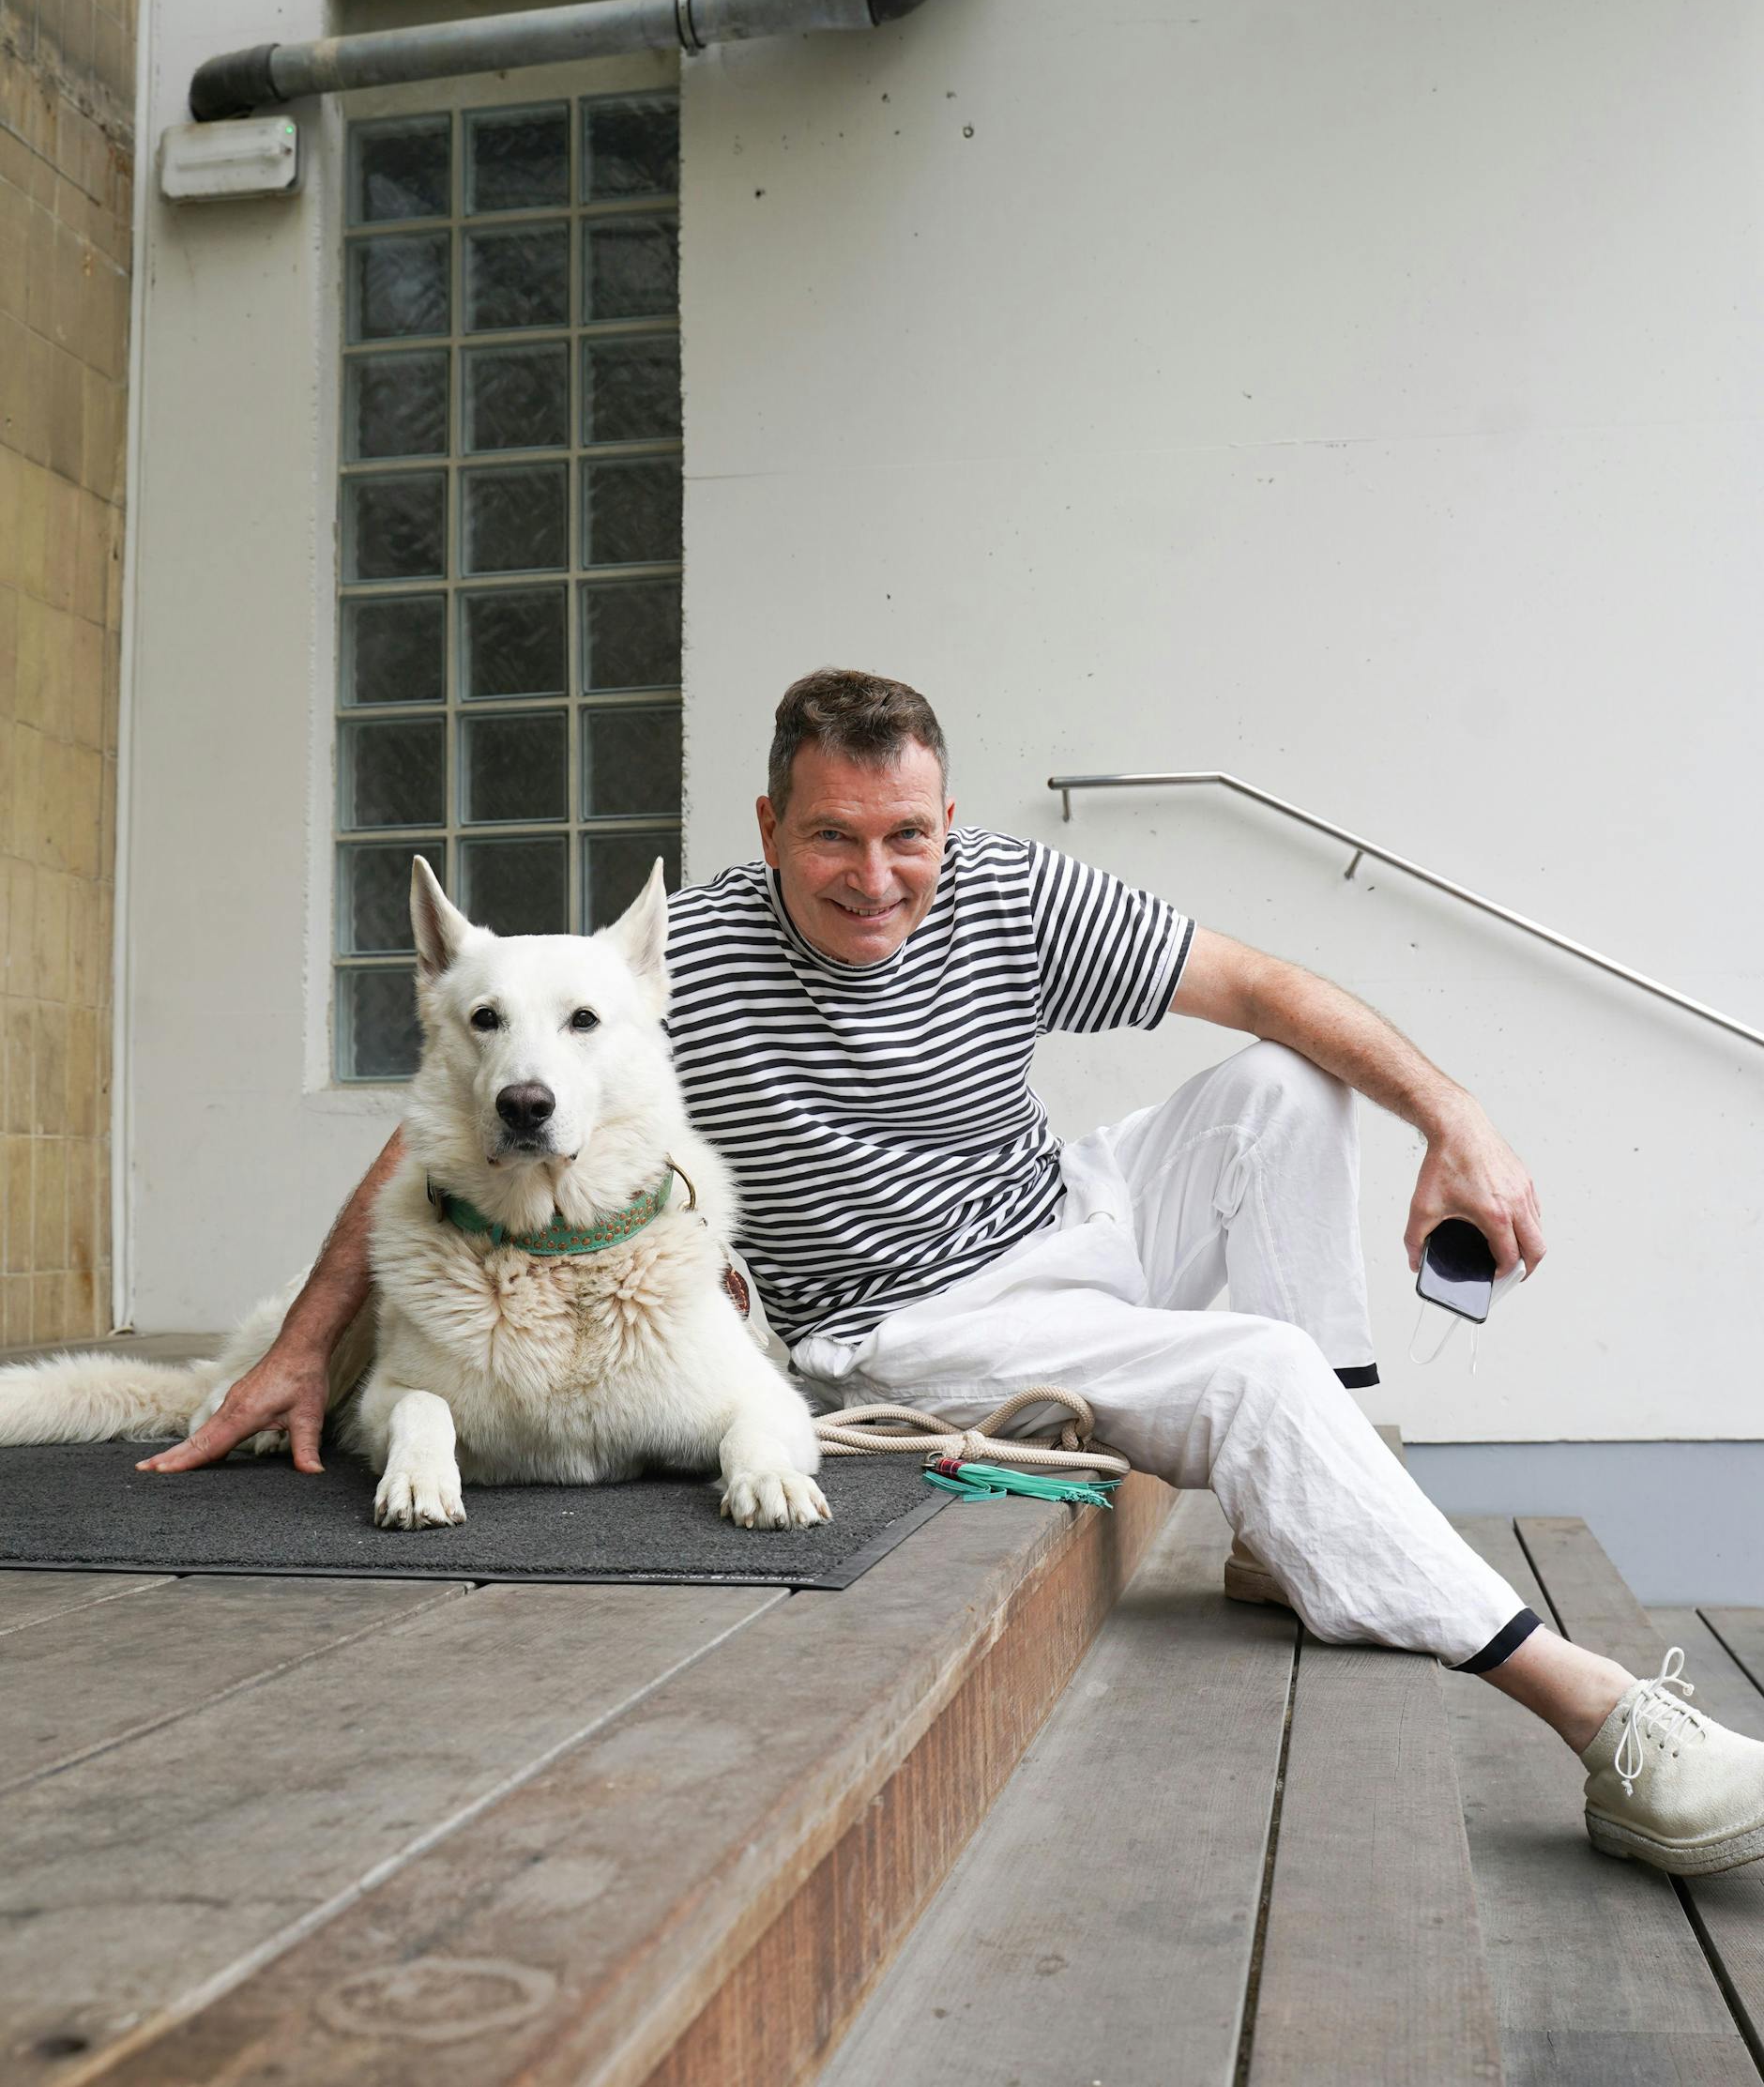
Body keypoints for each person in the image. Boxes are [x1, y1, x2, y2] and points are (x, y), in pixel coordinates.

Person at [144, 667, 1764, 1876]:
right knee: (1249, 1375)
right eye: (833, 836)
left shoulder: (1004, 889)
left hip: (1075, 1209)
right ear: (768, 826)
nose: (876, 875)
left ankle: (1295, 1525)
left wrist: (1461, 1119)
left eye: (907, 833)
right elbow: (458, 1114)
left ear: (948, 819)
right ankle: (1603, 1717)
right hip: (914, 1326)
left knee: (1284, 1083)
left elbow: (1266, 984)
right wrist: (307, 1341)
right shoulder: (674, 960)